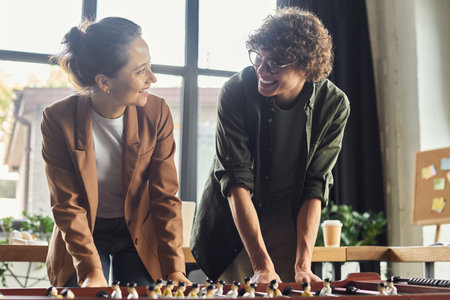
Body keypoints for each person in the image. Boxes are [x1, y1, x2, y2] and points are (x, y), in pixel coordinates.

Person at [190, 7, 350, 284]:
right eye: (258, 57)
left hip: (288, 225)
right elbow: (236, 182)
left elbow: (315, 186)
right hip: (235, 225)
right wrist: (261, 264)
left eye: (274, 63)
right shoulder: (235, 92)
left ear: (307, 65)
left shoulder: (334, 105)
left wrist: (303, 264)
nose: (262, 70)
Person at [42, 17, 189, 287]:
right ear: (104, 82)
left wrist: (175, 268)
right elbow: (67, 204)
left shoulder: (157, 113)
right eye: (140, 71)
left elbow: (165, 196)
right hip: (84, 232)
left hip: (140, 232)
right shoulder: (57, 120)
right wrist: (90, 270)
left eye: (150, 66)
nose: (152, 78)